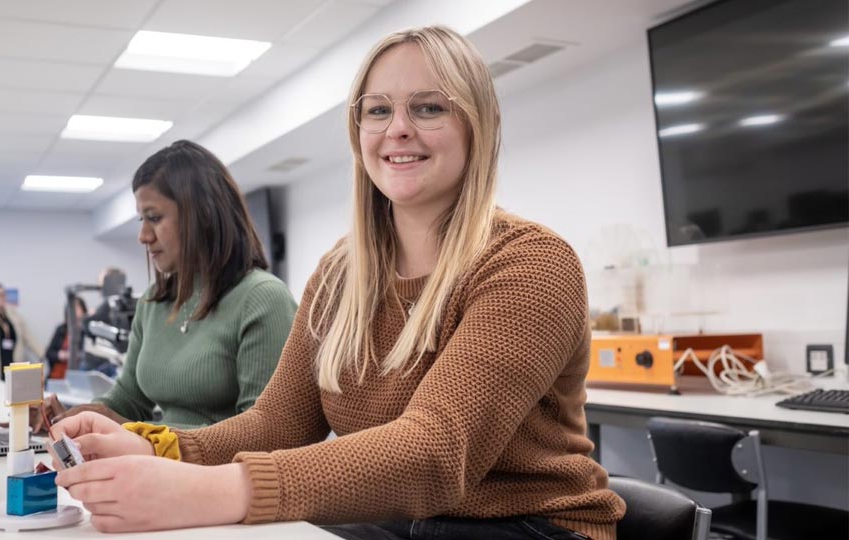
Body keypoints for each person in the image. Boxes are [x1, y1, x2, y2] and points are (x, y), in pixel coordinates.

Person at [50, 26, 625, 539]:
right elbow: (280, 423)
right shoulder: (339, 274)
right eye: (377, 111)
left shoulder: (531, 265)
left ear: (479, 124)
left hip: (529, 525)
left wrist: (202, 490)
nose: (398, 129)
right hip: (402, 519)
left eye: (428, 108)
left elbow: (435, 453)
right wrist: (155, 446)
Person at [40, 140, 297, 430]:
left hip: (219, 474)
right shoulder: (153, 302)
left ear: (202, 216)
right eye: (142, 219)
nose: (143, 235)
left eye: (154, 218)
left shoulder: (262, 300)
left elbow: (262, 432)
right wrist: (81, 417)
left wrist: (143, 436)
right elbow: (129, 398)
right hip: (160, 466)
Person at [45, 296, 88, 380]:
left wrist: (73, 356)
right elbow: (49, 353)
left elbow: (88, 356)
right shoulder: (61, 329)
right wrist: (60, 355)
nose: (74, 310)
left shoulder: (87, 331)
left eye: (77, 306)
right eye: (71, 307)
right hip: (56, 376)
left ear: (83, 309)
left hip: (78, 376)